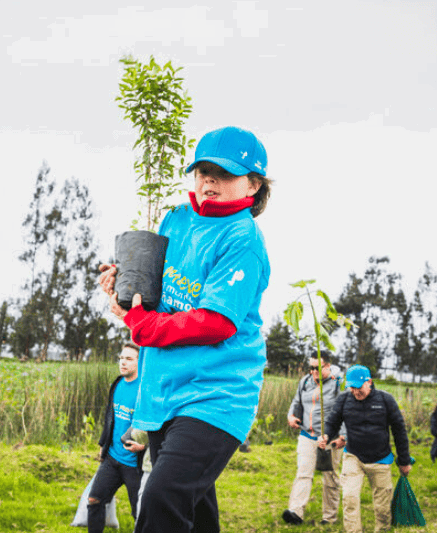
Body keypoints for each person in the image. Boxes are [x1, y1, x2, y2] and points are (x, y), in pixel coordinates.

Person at [98, 126, 273, 533]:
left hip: (216, 393)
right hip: (165, 390)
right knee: (194, 513)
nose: (208, 180)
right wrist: (124, 287)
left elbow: (216, 322)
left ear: (254, 183)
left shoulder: (241, 239)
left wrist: (142, 325)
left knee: (160, 497)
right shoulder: (176, 218)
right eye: (202, 171)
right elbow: (155, 293)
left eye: (223, 173)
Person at [318, 365, 411, 533]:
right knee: (349, 499)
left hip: (381, 459)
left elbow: (399, 431)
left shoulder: (385, 400)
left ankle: (382, 529)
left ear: (369, 382)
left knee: (383, 507)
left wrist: (403, 461)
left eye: (358, 387)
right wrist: (326, 435)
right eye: (351, 387)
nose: (355, 391)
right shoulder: (344, 399)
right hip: (354, 456)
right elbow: (332, 422)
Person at [88, 342, 146, 533]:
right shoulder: (117, 384)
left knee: (140, 512)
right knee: (94, 500)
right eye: (121, 358)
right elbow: (110, 417)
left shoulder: (145, 390)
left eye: (129, 359)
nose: (123, 362)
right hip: (112, 458)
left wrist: (144, 447)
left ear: (140, 362)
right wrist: (103, 444)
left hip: (135, 465)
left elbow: (157, 425)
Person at [282, 352, 345, 526]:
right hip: (307, 435)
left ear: (327, 366)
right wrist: (291, 416)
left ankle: (329, 518)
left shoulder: (338, 383)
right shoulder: (305, 381)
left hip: (330, 438)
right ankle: (295, 512)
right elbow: (296, 402)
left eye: (317, 368)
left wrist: (343, 436)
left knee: (330, 477)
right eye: (310, 368)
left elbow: (345, 410)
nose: (313, 372)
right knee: (303, 473)